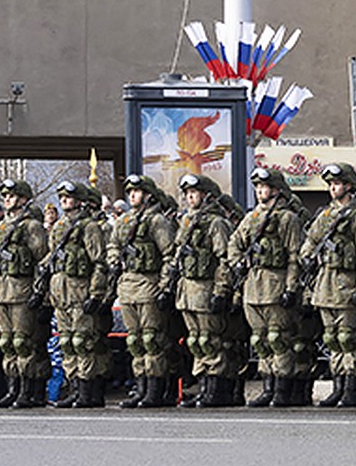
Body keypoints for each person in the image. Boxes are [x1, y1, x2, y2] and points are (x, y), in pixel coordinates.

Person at [300, 162, 356, 408]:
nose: (332, 188)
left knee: (349, 339)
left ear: (348, 186)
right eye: (331, 184)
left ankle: (353, 389)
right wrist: (307, 258)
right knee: (332, 338)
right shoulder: (325, 216)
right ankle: (338, 386)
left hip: (347, 284)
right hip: (326, 285)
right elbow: (309, 243)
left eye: (337, 184)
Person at [229, 165, 304, 408]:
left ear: (276, 190)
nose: (260, 191)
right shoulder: (250, 218)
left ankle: (282, 389)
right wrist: (240, 262)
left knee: (278, 338)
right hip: (253, 286)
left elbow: (295, 256)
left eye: (265, 187)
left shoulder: (287, 218)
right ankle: (267, 386)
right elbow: (234, 244)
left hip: (276, 283)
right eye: (258, 187)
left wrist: (291, 288)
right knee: (260, 340)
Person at [38, 180, 112, 409]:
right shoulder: (59, 227)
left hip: (80, 291)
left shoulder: (89, 227)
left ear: (79, 200)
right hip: (61, 293)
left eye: (68, 197)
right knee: (67, 342)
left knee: (83, 342)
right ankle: (74, 387)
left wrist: (96, 293)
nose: (64, 201)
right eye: (61, 197)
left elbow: (99, 263)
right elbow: (51, 258)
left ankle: (88, 390)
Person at [0, 177, 49, 408]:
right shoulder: (2, 226)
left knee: (23, 342)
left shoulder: (31, 226)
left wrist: (40, 292)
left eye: (11, 196)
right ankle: (13, 388)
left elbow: (42, 259)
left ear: (23, 199)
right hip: (0, 289)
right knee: (7, 342)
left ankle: (28, 391)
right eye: (6, 196)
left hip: (22, 290)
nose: (7, 199)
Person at [166, 173, 235, 407]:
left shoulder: (216, 223)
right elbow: (176, 256)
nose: (189, 197)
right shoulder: (186, 222)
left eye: (194, 193)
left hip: (206, 288)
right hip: (188, 289)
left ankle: (216, 390)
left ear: (206, 196)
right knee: (196, 341)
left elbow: (225, 259)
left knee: (210, 339)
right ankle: (204, 386)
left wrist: (221, 290)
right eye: (187, 193)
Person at [110, 174, 176, 409]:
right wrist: (114, 260)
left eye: (137, 192)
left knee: (152, 340)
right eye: (130, 192)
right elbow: (113, 245)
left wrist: (165, 286)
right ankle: (140, 387)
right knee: (135, 341)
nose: (132, 196)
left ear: (147, 195)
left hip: (149, 284)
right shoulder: (125, 220)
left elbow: (169, 254)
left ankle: (155, 390)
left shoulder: (156, 221)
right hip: (128, 285)